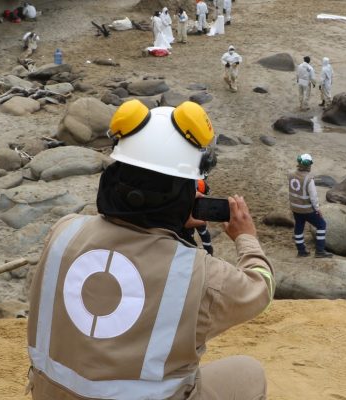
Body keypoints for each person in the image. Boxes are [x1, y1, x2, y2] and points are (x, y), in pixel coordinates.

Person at [26, 99, 273, 399]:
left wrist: (174, 224)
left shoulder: (64, 231)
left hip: (52, 394)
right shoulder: (198, 274)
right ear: (185, 193)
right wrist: (245, 237)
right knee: (249, 373)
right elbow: (260, 288)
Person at [288, 154, 331, 258]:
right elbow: (313, 197)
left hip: (295, 207)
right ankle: (320, 251)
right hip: (306, 209)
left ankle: (301, 251)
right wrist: (317, 209)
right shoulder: (309, 179)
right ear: (309, 165)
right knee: (321, 225)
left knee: (299, 227)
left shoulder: (290, 174)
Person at [182, 179, 214, 254]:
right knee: (204, 233)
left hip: (188, 215)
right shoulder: (200, 183)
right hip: (199, 213)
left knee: (191, 235)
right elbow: (207, 195)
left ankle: (205, 251)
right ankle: (209, 251)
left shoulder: (181, 186)